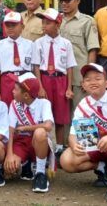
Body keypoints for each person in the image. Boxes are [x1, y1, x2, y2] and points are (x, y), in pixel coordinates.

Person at [59, 63, 107, 204]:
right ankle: (103, 167)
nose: (93, 82)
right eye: (88, 79)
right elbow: (73, 134)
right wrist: (73, 145)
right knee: (66, 160)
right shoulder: (83, 104)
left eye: (97, 78)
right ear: (83, 85)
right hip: (96, 145)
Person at [34, 8, 76, 150]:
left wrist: (69, 88)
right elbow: (37, 67)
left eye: (48, 23)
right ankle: (44, 146)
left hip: (60, 80)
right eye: (43, 22)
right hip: (45, 79)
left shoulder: (66, 44)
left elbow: (69, 67)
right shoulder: (38, 43)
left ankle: (59, 147)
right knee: (43, 114)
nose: (44, 25)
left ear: (57, 24)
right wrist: (40, 87)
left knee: (60, 115)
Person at [5, 72, 54, 193]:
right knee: (10, 168)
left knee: (40, 132)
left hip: (38, 143)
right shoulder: (14, 104)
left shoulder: (44, 103)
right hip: (21, 143)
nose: (12, 91)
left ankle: (40, 173)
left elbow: (48, 126)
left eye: (16, 89)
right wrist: (9, 154)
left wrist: (27, 128)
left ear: (26, 95)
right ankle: (25, 163)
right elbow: (10, 130)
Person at [57, 0, 100, 112]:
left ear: (78, 1)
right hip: (59, 76)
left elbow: (92, 49)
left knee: (81, 114)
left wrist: (87, 77)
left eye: (68, 0)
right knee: (62, 118)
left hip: (78, 77)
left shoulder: (87, 21)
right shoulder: (56, 20)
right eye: (61, 0)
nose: (64, 3)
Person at [0, 11, 41, 104]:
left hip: (26, 79)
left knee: (25, 109)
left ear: (22, 26)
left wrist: (39, 87)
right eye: (7, 25)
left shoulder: (30, 44)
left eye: (13, 25)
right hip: (6, 81)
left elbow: (35, 67)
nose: (10, 28)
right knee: (8, 107)